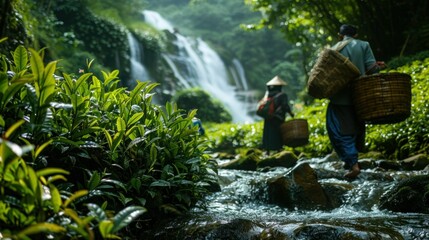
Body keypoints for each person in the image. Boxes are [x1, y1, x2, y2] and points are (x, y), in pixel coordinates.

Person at [327, 24, 386, 179]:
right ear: (356, 34)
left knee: (340, 130)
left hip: (340, 98)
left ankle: (353, 165)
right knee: (356, 128)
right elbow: (371, 69)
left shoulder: (333, 49)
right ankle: (353, 161)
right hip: (361, 97)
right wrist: (378, 66)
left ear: (340, 35)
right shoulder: (363, 45)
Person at [261, 76, 294, 155]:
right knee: (278, 132)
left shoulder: (268, 95)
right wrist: (290, 113)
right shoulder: (282, 95)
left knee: (268, 132)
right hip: (278, 117)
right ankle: (279, 149)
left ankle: (267, 150)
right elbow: (285, 106)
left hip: (268, 117)